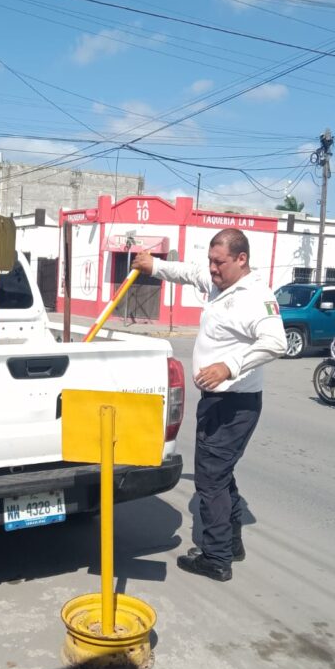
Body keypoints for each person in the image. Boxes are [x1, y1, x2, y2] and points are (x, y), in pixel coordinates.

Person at [132, 229, 287, 583]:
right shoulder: (221, 284)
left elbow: (276, 342)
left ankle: (216, 558)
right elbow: (187, 272)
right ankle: (230, 544)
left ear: (241, 259)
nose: (212, 269)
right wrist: (153, 265)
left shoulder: (254, 296)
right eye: (211, 261)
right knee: (218, 473)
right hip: (218, 401)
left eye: (219, 262)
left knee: (211, 480)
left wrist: (228, 367)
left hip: (235, 403)